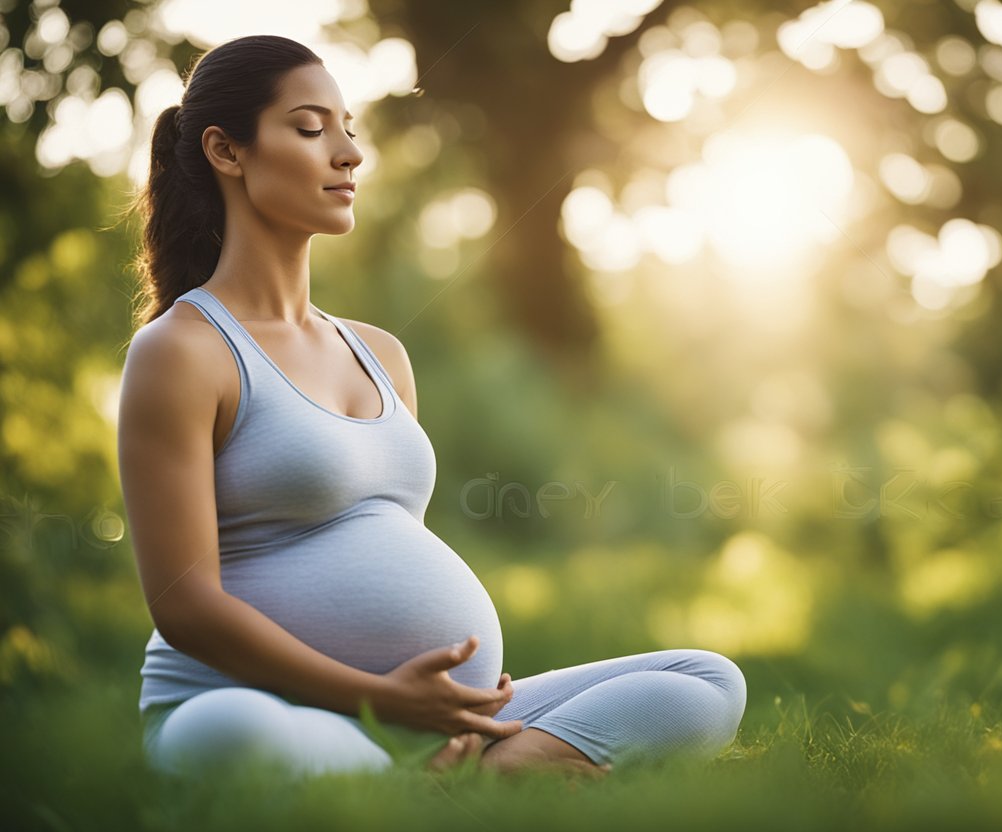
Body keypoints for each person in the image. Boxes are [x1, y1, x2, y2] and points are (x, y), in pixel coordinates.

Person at [116, 34, 747, 781]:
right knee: (221, 734)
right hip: (265, 706)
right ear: (227, 151)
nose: (349, 154)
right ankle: (431, 773)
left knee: (709, 680)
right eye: (312, 129)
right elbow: (184, 606)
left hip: (426, 714)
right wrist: (381, 697)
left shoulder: (380, 353)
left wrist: (441, 699)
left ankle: (471, 776)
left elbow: (383, 547)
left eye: (350, 129)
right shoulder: (181, 351)